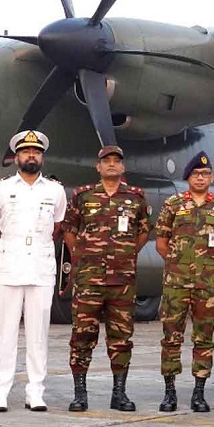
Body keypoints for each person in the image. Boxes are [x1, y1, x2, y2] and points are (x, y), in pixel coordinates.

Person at [62, 145, 151, 412]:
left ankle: (119, 394)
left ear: (123, 167)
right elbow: (69, 229)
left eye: (116, 161)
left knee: (121, 338)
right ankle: (80, 394)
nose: (111, 164)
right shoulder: (83, 195)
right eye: (106, 161)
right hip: (89, 280)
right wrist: (81, 256)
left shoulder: (136, 197)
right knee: (82, 335)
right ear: (98, 166)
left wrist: (126, 254)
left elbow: (143, 232)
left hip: (122, 282)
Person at [0, 130, 66, 412]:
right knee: (4, 333)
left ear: (42, 157)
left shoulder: (55, 191)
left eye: (36, 152)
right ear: (16, 157)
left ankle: (36, 392)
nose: (31, 155)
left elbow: (57, 228)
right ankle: (0, 392)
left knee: (38, 333)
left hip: (41, 267)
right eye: (25, 151)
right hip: (9, 265)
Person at [154, 151, 214, 412]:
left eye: (205, 174)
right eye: (196, 174)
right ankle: (169, 392)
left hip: (206, 285)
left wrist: (211, 264)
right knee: (171, 337)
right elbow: (161, 243)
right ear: (188, 177)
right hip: (176, 284)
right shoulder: (173, 204)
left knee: (204, 338)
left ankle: (199, 393)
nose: (201, 178)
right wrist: (177, 263)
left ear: (211, 177)